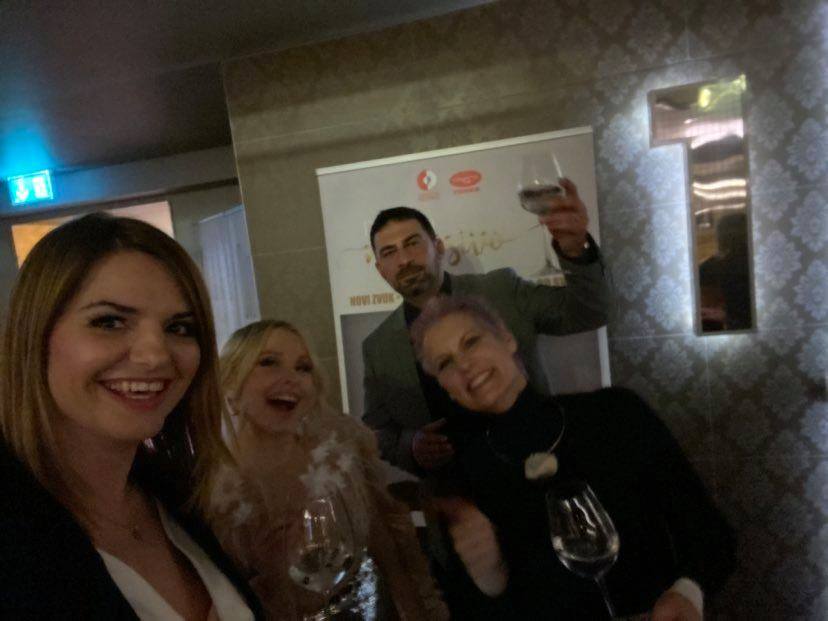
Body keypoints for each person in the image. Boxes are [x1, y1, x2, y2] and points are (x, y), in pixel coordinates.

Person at [0, 213, 263, 619]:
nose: (155, 355)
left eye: (179, 327)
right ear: (35, 336)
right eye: (109, 322)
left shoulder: (171, 492)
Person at [409, 295, 736, 620]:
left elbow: (710, 534)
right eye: (445, 363)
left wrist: (686, 591)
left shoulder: (615, 414)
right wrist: (491, 579)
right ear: (446, 388)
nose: (464, 365)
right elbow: (470, 611)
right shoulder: (465, 480)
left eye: (471, 342)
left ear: (507, 339)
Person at [361, 178, 609, 476]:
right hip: (455, 496)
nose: (403, 260)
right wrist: (410, 445)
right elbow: (377, 431)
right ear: (380, 269)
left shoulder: (501, 289)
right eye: (389, 252)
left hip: (540, 469)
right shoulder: (377, 347)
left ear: (438, 247)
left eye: (413, 243)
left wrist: (575, 250)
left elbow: (591, 312)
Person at [206, 320, 448, 620]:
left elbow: (392, 549)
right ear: (230, 381)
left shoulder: (342, 451)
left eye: (303, 367)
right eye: (268, 362)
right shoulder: (209, 489)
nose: (292, 378)